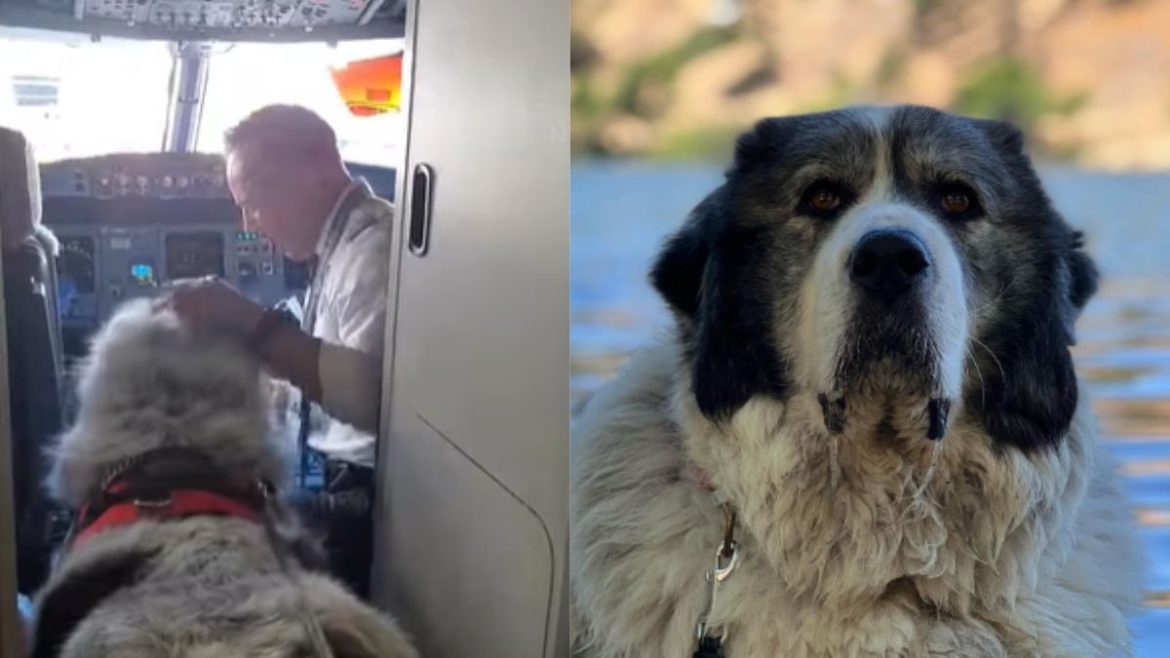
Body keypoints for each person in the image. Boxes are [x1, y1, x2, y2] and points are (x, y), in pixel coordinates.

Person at [165, 104, 392, 597]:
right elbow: (320, 363)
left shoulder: (376, 248)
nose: (248, 225)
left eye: (256, 200)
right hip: (331, 479)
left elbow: (366, 398)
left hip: (360, 501)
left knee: (195, 541)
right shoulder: (341, 243)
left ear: (316, 171)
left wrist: (246, 320)